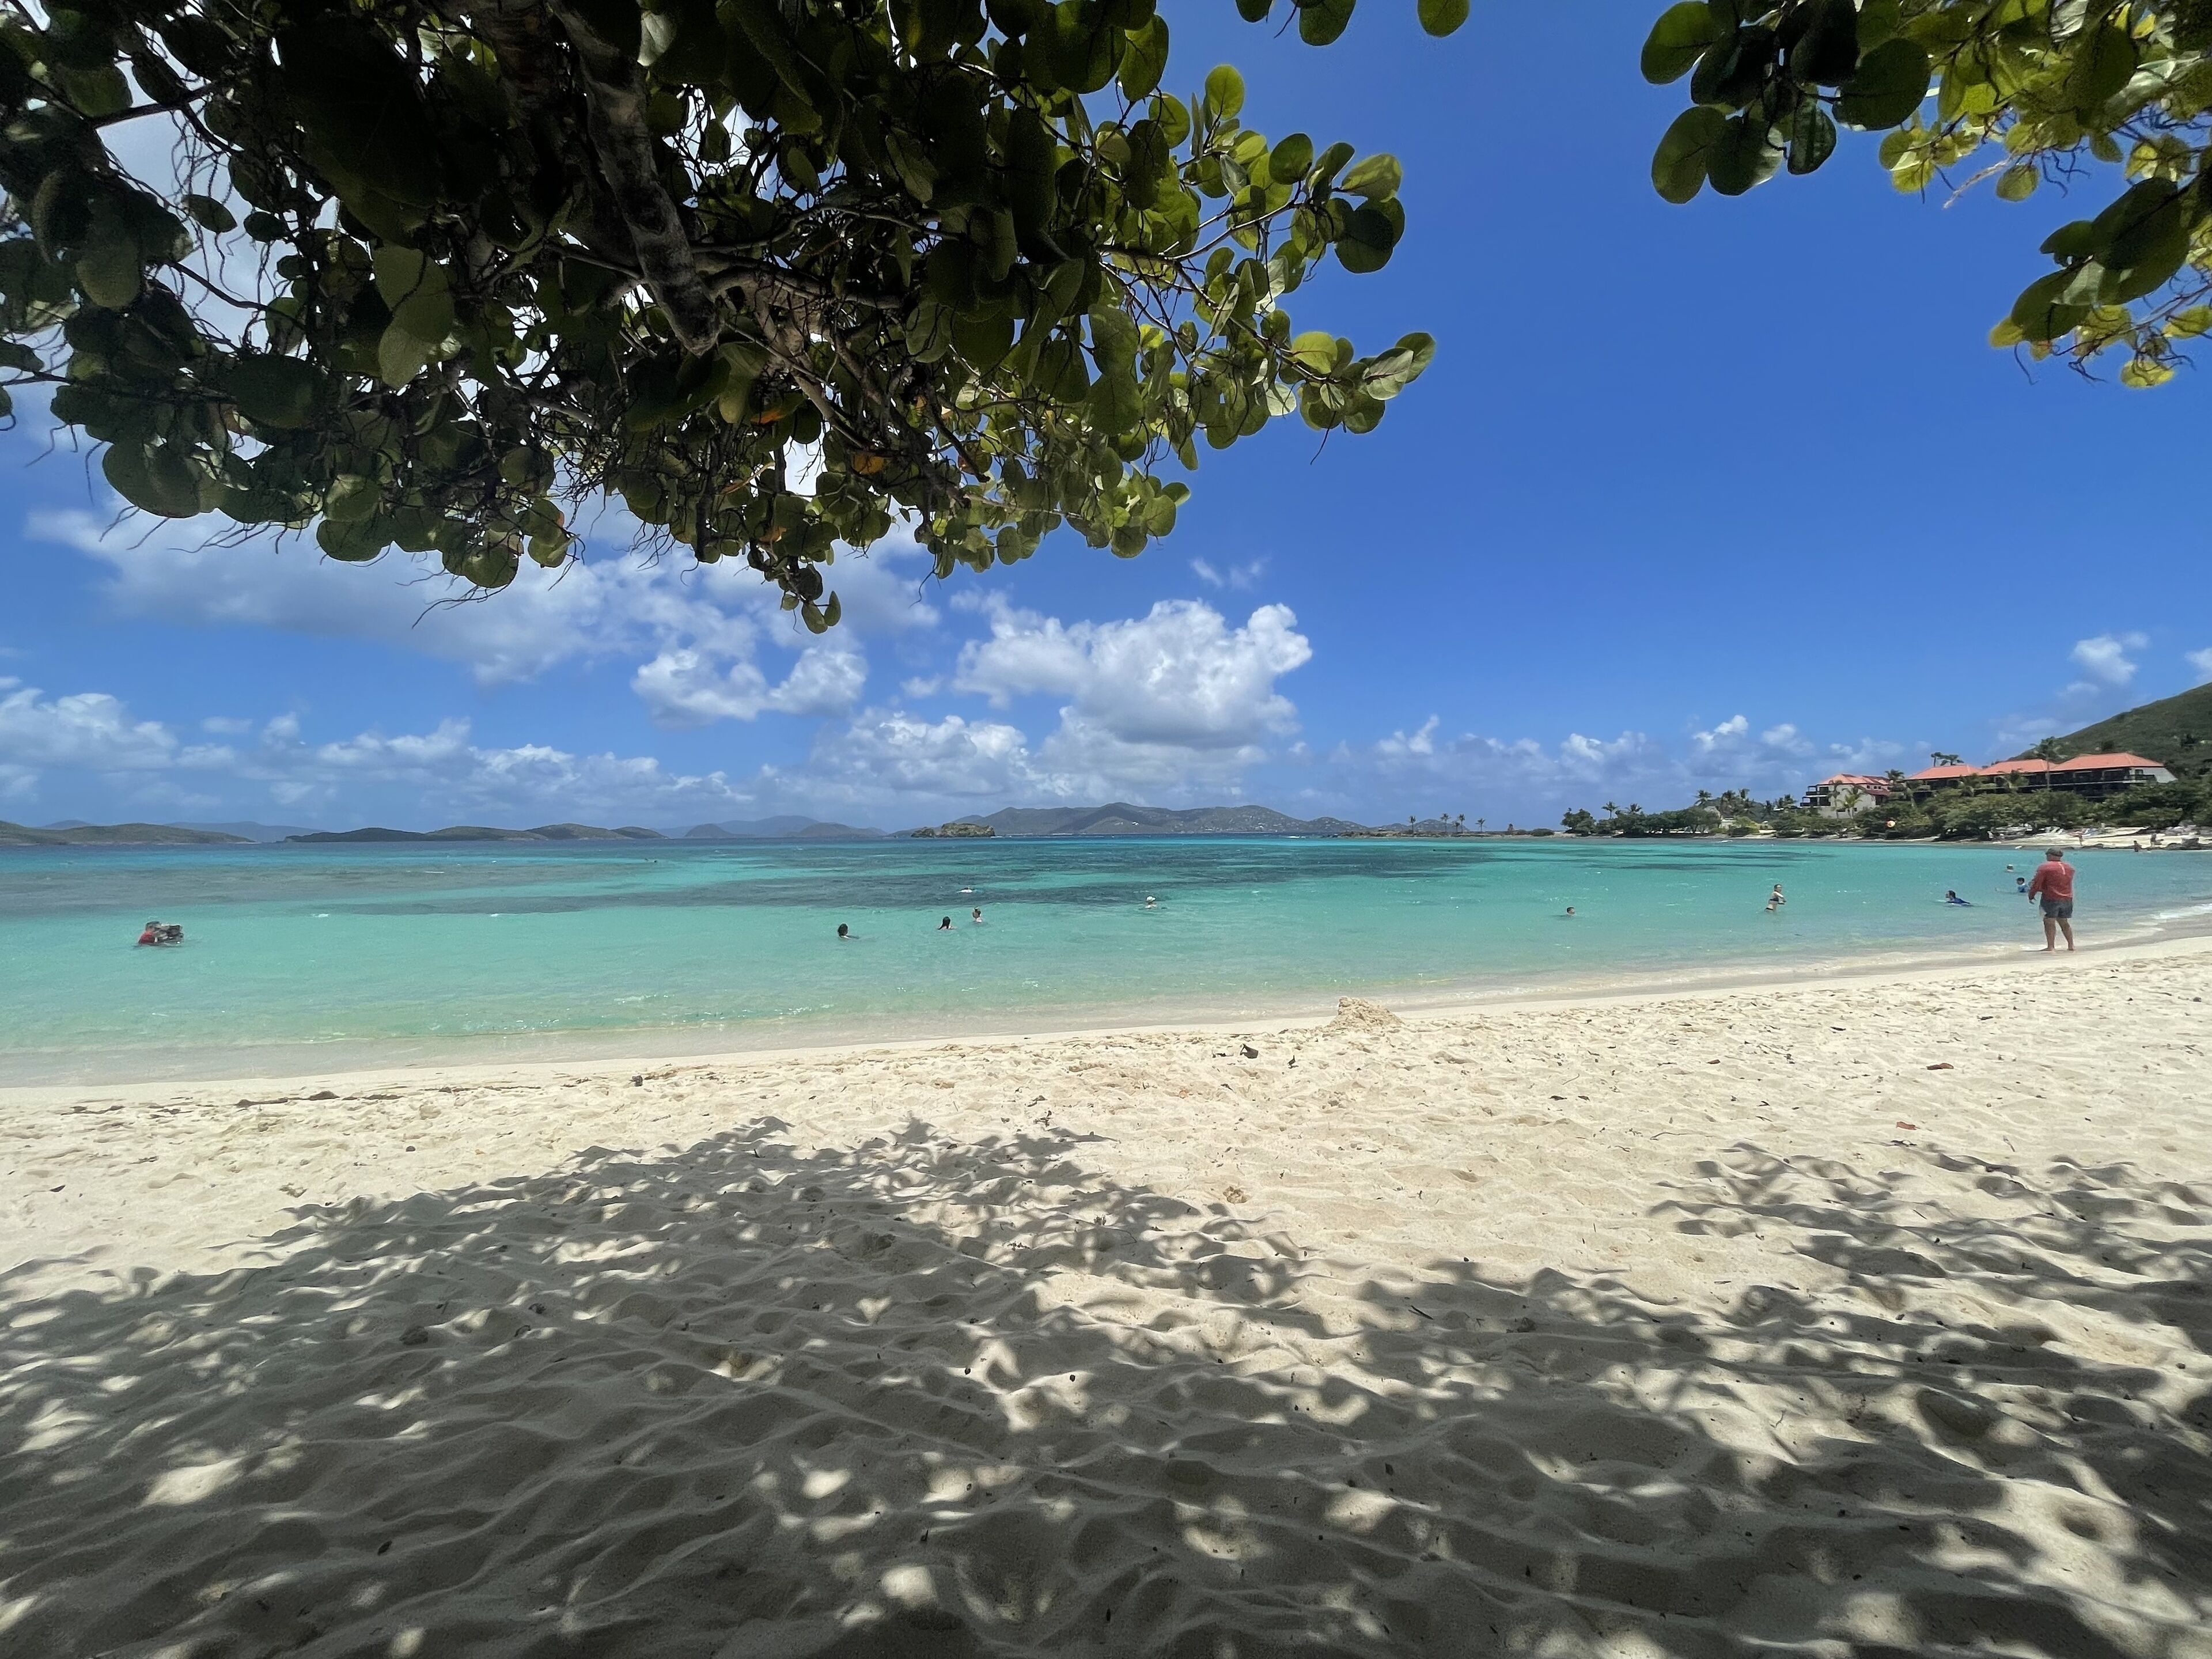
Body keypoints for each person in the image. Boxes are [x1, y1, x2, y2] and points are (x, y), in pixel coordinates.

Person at [2026, 848, 2075, 952]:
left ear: (2050, 855)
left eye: (2047, 855)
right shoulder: (2069, 868)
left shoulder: (2045, 867)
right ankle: (2071, 945)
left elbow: (2037, 883)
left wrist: (2031, 894)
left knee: (2049, 921)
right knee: (2064, 921)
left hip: (2051, 898)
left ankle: (2051, 947)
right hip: (2067, 897)